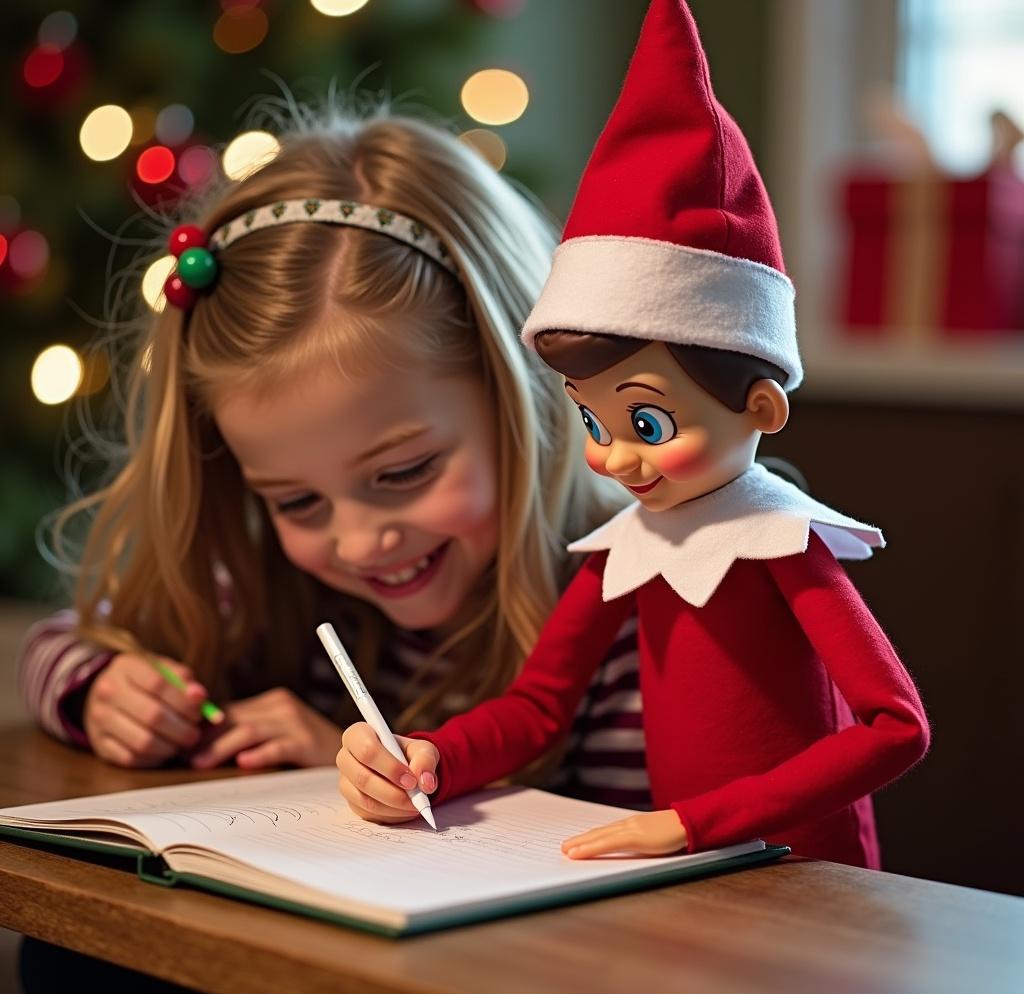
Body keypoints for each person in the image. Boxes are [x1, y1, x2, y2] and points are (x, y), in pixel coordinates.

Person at [16, 98, 646, 994]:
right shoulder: (283, 582)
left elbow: (651, 868)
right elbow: (60, 638)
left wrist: (339, 778)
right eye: (297, 501)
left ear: (533, 397)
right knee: (72, 965)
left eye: (404, 471)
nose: (358, 543)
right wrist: (104, 686)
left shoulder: (634, 606)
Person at [335, 0, 930, 869]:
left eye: (647, 421)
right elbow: (540, 706)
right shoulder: (629, 547)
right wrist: (439, 757)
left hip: (809, 880)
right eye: (591, 418)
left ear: (761, 408)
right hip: (686, 880)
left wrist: (699, 822)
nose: (613, 456)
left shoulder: (781, 543)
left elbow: (896, 727)